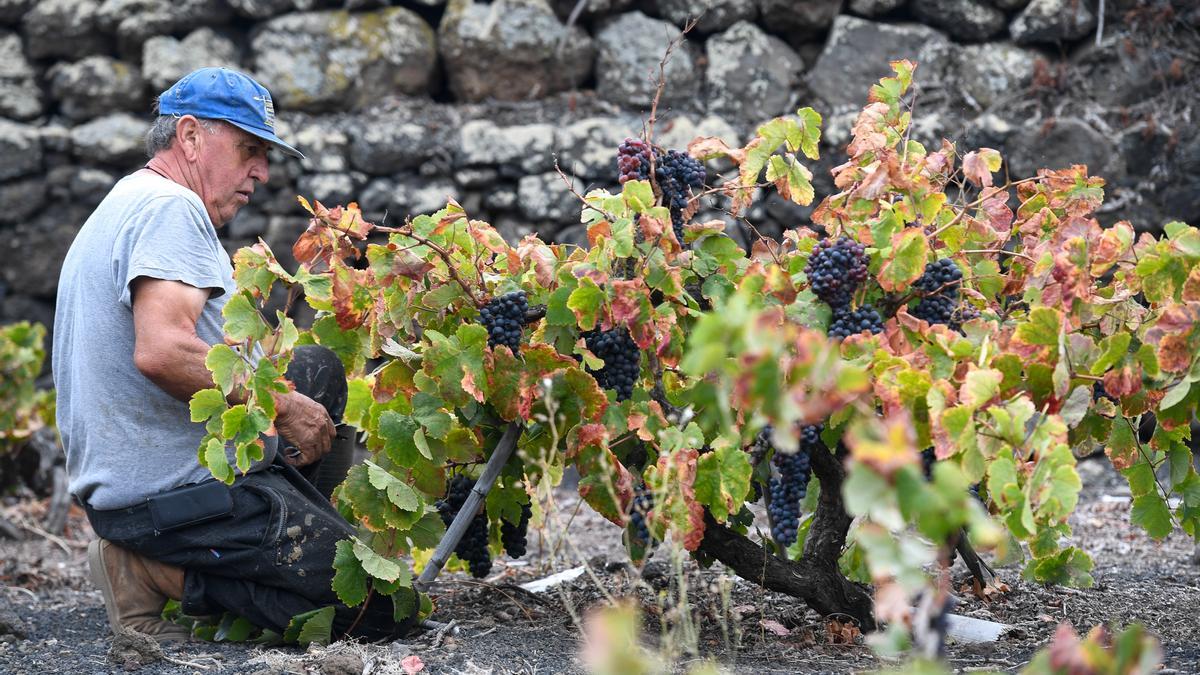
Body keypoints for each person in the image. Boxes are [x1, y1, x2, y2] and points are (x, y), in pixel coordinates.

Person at [53, 67, 413, 643]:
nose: (262, 173)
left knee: (315, 370)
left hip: (138, 484)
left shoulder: (131, 197)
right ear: (190, 137)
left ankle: (280, 540)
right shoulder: (172, 210)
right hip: (169, 501)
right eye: (248, 149)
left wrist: (291, 392)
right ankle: (154, 571)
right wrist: (281, 403)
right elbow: (163, 351)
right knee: (380, 606)